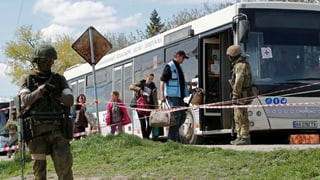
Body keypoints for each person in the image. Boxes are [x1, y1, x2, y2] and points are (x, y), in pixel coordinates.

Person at [19, 44, 74, 179]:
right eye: (44, 61)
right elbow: (25, 100)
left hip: (58, 131)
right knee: (39, 172)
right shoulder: (27, 79)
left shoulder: (59, 79)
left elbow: (70, 100)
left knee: (65, 169)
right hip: (36, 133)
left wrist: (57, 94)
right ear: (36, 61)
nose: (48, 64)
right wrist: (40, 91)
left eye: (51, 61)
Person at [160, 50, 196, 142]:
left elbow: (180, 82)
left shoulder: (180, 67)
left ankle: (173, 138)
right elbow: (162, 81)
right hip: (172, 96)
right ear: (178, 56)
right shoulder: (169, 66)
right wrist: (162, 95)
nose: (183, 60)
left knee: (183, 115)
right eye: (183, 58)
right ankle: (171, 140)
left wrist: (189, 83)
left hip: (180, 96)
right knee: (177, 116)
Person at [226, 45, 253, 145]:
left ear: (233, 55)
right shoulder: (238, 65)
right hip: (240, 95)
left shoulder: (240, 65)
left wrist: (235, 95)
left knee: (242, 116)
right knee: (237, 116)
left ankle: (245, 137)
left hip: (242, 95)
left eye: (230, 56)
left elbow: (239, 81)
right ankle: (239, 136)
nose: (229, 58)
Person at [129, 73, 161, 140]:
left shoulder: (153, 87)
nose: (150, 80)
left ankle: (146, 136)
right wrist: (139, 89)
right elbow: (131, 87)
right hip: (140, 106)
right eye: (149, 78)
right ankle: (145, 138)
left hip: (149, 107)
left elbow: (155, 98)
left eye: (152, 79)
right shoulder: (141, 83)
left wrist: (157, 107)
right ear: (146, 77)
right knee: (143, 123)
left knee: (150, 123)